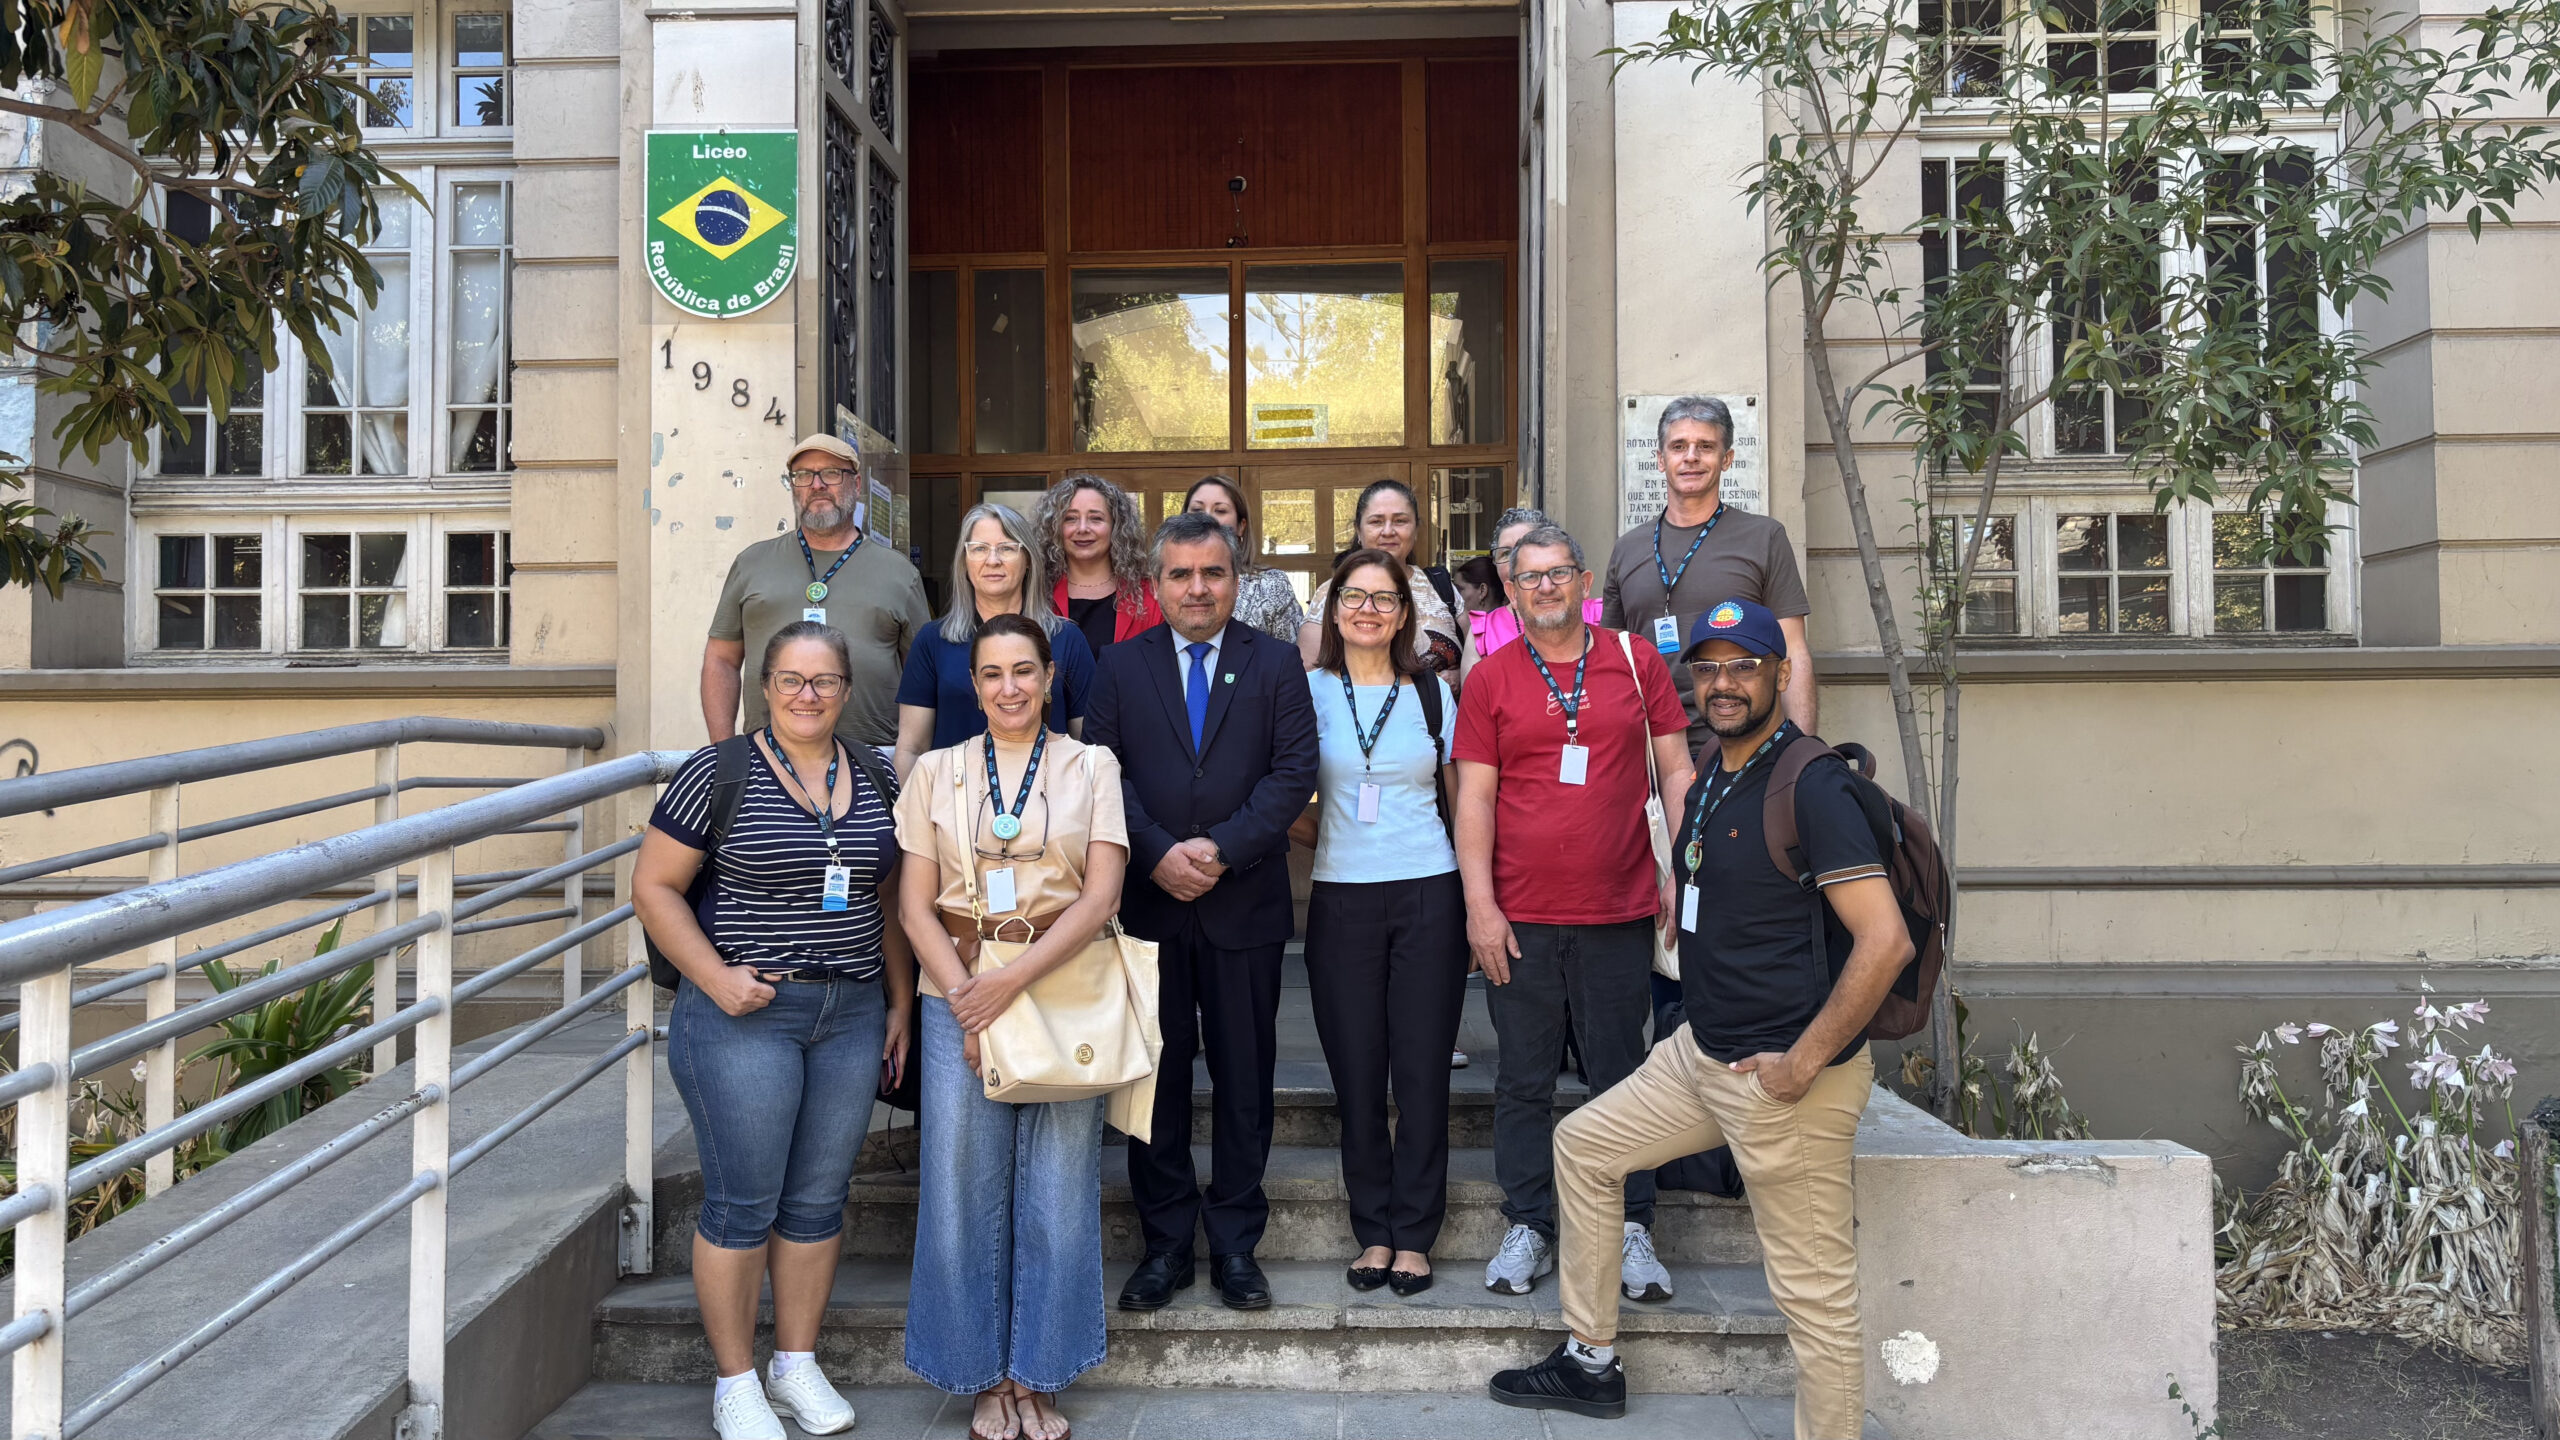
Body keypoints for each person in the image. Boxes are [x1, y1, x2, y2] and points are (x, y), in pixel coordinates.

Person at [1487, 598, 1912, 1435]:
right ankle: (1590, 1361)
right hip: (1704, 1056)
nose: (1724, 683)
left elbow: (1885, 941)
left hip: (1787, 1080)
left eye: (1744, 665)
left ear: (1781, 673)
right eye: (1709, 667)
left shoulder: (1813, 782)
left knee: (1816, 1298)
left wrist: (1801, 1064)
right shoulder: (1718, 768)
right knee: (1584, 1147)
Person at [635, 620, 914, 1440]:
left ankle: (794, 1365)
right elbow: (654, 888)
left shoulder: (876, 773)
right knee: (742, 1202)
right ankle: (735, 1381)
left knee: (819, 1199)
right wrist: (714, 978)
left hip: (850, 1013)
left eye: (824, 681)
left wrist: (899, 1002)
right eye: (791, 679)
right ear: (765, 687)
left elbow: (887, 899)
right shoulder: (717, 772)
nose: (806, 694)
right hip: (745, 1015)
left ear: (847, 690)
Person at [895, 613, 1130, 1440]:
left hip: (1063, 986)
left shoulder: (1092, 765)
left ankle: (1041, 1372)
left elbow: (1101, 896)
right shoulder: (936, 771)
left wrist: (1007, 987)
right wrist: (969, 997)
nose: (1009, 688)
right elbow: (913, 906)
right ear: (972, 684)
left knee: (1059, 1189)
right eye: (992, 673)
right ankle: (979, 1375)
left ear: (1051, 675)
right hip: (955, 986)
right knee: (960, 1189)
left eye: (1024, 671)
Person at [1085, 509, 1319, 1313]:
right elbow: (1102, 773)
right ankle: (1165, 1245)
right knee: (1155, 1082)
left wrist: (1219, 850)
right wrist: (1156, 852)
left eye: (1212, 573)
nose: (1197, 588)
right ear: (1156, 584)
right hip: (1149, 907)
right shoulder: (1119, 665)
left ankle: (1235, 1245)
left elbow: (1293, 773)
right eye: (1180, 574)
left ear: (1235, 581)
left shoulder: (1276, 662)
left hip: (1243, 904)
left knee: (1245, 1080)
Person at [1451, 525, 1692, 1304]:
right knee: (1523, 1081)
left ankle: (1630, 1225)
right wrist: (1479, 907)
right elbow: (1474, 799)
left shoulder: (1636, 660)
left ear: (1584, 583)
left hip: (1620, 909)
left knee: (1621, 1078)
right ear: (1510, 589)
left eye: (1559, 573)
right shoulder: (1490, 679)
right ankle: (1529, 1222)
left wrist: (1682, 872)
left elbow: (1677, 772)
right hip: (1520, 917)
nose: (1546, 587)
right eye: (1531, 576)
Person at [1289, 549, 1465, 1296]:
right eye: (1353, 597)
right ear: (1333, 611)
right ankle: (1374, 1230)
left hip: (1429, 891)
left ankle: (1415, 1233)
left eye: (1384, 599)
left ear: (1404, 614)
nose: (1368, 610)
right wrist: (1330, 835)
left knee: (1421, 1072)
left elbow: (1463, 801)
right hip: (1340, 898)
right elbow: (1281, 797)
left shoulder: (1433, 695)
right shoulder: (1305, 693)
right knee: (1357, 1073)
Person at [1599, 396, 1817, 740]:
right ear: (1660, 459)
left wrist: (1804, 751)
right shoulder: (1627, 548)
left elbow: (1793, 650)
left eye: (1705, 446)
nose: (1691, 456)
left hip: (1743, 742)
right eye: (1678, 446)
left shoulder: (1764, 537)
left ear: (1726, 458)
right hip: (1648, 743)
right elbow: (1610, 657)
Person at [704, 434, 932, 751]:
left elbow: (921, 676)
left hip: (872, 757)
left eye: (831, 473)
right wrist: (724, 751)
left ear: (856, 485)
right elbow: (721, 660)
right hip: (767, 758)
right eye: (803, 475)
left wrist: (911, 757)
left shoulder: (900, 573)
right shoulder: (752, 563)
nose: (817, 485)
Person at [892, 502, 1096, 781]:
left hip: (1050, 799)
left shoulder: (1066, 639)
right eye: (979, 549)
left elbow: (1088, 746)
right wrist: (914, 807)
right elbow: (912, 749)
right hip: (954, 800)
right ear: (964, 562)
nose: (992, 560)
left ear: (1028, 560)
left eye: (1007, 548)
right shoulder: (932, 642)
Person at [1299, 479, 1465, 675]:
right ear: (1358, 530)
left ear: (1416, 529)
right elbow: (1309, 673)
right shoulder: (1333, 592)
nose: (1388, 531)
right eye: (1376, 522)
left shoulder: (1440, 586)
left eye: (1400, 521)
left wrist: (1459, 677)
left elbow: (1477, 660)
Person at [1461, 507, 1602, 681]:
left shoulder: (1599, 615)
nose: (1515, 562)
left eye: (1524, 548)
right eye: (1505, 553)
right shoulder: (1484, 632)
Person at [1036, 472, 1161, 656]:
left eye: (1096, 518)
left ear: (1117, 526)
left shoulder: (1150, 596)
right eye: (1070, 518)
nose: (1082, 528)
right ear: (1054, 527)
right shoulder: (1037, 594)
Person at [1184, 475, 1305, 644]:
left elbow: (1289, 653)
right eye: (1197, 510)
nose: (1207, 518)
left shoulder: (1271, 585)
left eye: (1220, 510)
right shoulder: (1167, 581)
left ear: (1241, 526)